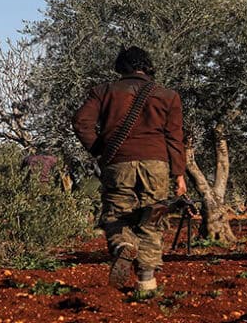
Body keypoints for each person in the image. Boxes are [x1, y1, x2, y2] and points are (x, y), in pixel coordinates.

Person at [72, 46, 186, 293]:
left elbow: (81, 122)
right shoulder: (168, 96)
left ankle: (123, 244)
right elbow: (175, 138)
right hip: (156, 164)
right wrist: (179, 174)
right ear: (148, 66)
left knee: (116, 214)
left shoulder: (103, 91)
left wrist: (100, 150)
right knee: (153, 219)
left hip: (118, 162)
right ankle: (146, 283)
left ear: (120, 67)